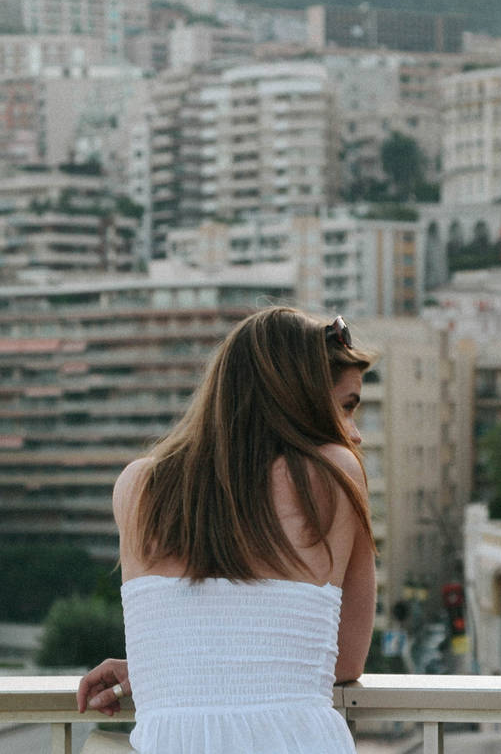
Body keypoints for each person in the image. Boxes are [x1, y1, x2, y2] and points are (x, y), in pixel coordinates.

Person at [75, 307, 377, 753]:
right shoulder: (333, 473)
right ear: (301, 400)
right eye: (346, 407)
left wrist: (162, 667)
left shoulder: (138, 486)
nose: (354, 433)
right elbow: (345, 659)